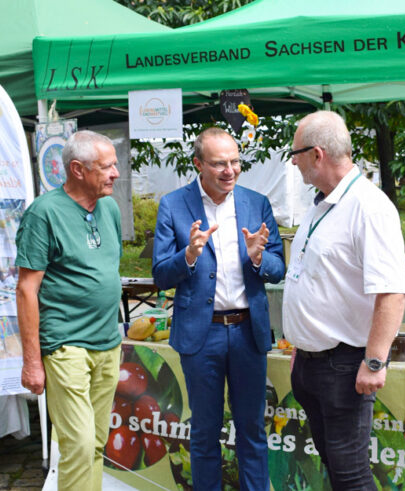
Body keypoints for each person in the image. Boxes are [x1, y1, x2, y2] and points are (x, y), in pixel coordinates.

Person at [152, 127, 284, 490]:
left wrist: (259, 257)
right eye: (219, 164)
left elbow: (278, 267)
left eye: (235, 162)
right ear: (198, 164)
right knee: (205, 432)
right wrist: (188, 255)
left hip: (247, 331)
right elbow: (161, 275)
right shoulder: (174, 205)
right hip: (201, 333)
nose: (230, 171)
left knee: (252, 431)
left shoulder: (256, 202)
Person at [282, 111, 405, 489]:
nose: (293, 160)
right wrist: (302, 344)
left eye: (296, 153)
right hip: (312, 362)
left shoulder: (369, 207)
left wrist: (374, 360)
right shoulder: (323, 202)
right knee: (338, 470)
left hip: (343, 365)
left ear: (317, 154)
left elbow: (392, 290)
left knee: (351, 475)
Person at [15, 130, 122, 490]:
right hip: (65, 343)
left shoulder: (109, 207)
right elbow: (27, 289)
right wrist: (32, 361)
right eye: (106, 167)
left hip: (108, 341)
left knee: (94, 443)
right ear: (77, 169)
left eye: (114, 164)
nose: (115, 173)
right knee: (77, 444)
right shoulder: (43, 214)